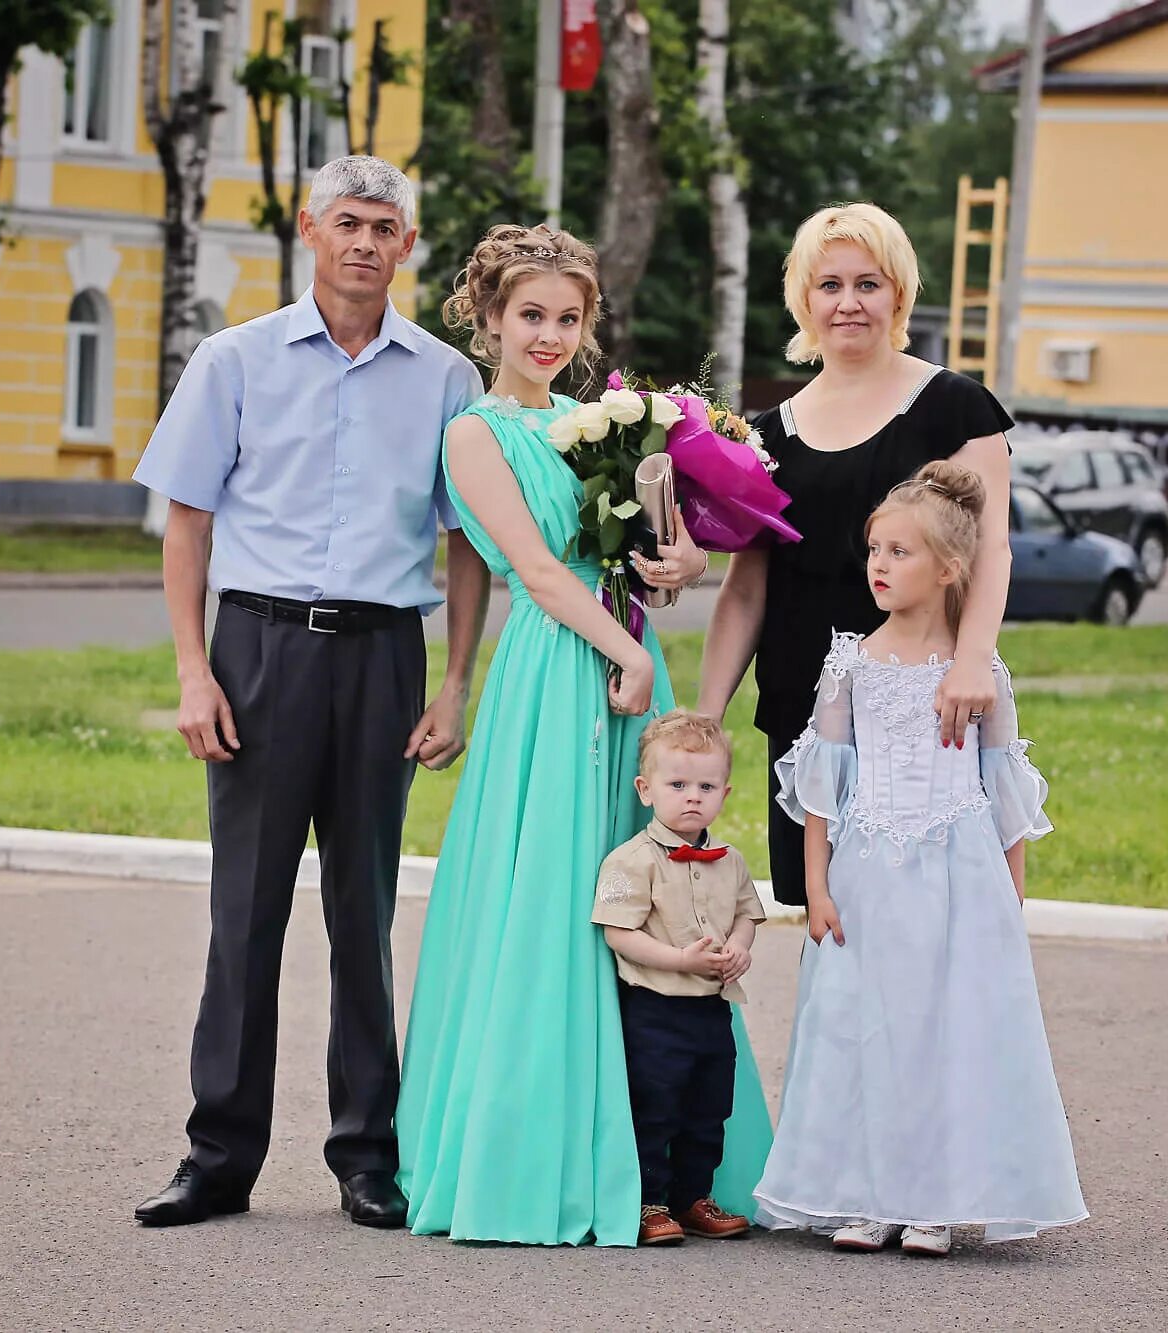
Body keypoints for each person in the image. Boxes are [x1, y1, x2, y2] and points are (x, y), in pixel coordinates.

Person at [392, 224, 774, 1246]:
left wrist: (675, 565)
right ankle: (545, 1156)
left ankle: (665, 1166)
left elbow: (655, 543)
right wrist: (633, 652)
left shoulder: (600, 423)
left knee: (648, 882)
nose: (551, 334)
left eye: (568, 317)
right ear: (489, 318)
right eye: (531, 315)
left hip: (620, 653)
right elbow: (540, 568)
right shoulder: (474, 434)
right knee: (556, 898)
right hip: (558, 669)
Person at [129, 156, 492, 1229]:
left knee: (361, 916)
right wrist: (194, 672)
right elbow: (186, 523)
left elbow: (464, 543)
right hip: (257, 652)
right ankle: (218, 1158)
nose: (366, 242)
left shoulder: (442, 379)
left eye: (386, 225)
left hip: (383, 658)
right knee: (243, 914)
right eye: (348, 222)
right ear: (308, 230)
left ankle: (365, 1157)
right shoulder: (234, 361)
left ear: (407, 245)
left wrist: (456, 682)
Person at [752, 461, 1086, 1254]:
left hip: (957, 873)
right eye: (875, 548)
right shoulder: (849, 664)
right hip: (867, 873)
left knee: (947, 1029)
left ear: (948, 568)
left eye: (900, 552)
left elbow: (1005, 791)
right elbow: (823, 787)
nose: (879, 564)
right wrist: (817, 887)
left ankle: (935, 1197)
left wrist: (1010, 897)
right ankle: (867, 1194)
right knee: (863, 1027)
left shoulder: (978, 675)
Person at [697, 203, 1015, 910]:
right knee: (826, 914)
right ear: (804, 299)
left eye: (868, 284)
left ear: (898, 294)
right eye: (830, 285)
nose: (849, 303)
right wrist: (708, 717)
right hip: (804, 708)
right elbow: (747, 588)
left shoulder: (956, 408)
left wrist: (972, 660)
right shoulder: (766, 434)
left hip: (923, 701)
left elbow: (992, 549)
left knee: (921, 908)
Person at [592, 711, 767, 1247]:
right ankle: (648, 1203)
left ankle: (695, 1198)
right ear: (646, 790)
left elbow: (745, 913)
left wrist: (739, 945)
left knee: (709, 1108)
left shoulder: (731, 860)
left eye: (706, 786)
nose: (693, 796)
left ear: (724, 792)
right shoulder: (630, 861)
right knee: (656, 1107)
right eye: (678, 784)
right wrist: (678, 960)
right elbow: (619, 934)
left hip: (711, 1010)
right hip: (655, 1008)